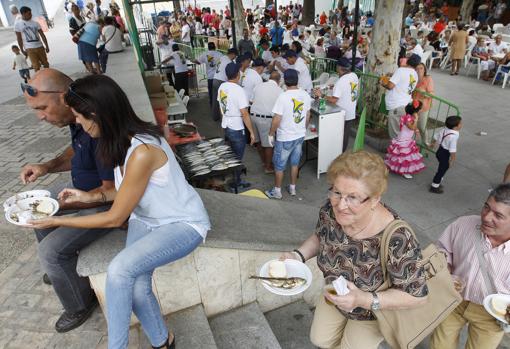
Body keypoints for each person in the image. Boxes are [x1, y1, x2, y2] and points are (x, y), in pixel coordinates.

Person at [30, 74, 210, 349]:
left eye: (79, 116)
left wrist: (53, 221)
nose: (77, 122)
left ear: (97, 114)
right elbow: (124, 190)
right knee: (137, 287)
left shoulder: (142, 149)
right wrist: (90, 195)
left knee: (119, 271)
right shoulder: (117, 141)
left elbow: (114, 217)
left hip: (181, 223)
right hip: (146, 219)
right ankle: (164, 341)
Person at [280, 150, 428, 348]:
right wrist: (297, 255)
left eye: (353, 197)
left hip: (371, 313)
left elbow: (417, 296)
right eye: (337, 192)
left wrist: (364, 299)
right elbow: (320, 236)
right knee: (320, 339)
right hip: (334, 290)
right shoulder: (330, 210)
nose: (341, 205)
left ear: (375, 199)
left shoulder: (398, 238)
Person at [20, 69, 114, 333]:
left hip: (104, 202)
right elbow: (76, 151)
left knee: (49, 251)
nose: (40, 117)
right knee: (42, 202)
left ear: (63, 98)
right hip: (82, 190)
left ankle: (79, 304)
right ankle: (62, 273)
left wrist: (63, 207)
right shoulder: (77, 116)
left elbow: (110, 192)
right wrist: (47, 166)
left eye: (42, 108)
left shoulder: (97, 125)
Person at [430, 183, 510, 349]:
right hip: (453, 301)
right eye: (486, 207)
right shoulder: (463, 225)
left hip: (492, 317)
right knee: (439, 345)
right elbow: (442, 251)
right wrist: (444, 270)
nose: (487, 217)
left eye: (498, 215)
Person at [265, 69, 311, 199]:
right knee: (295, 163)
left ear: (284, 81)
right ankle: (292, 188)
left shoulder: (283, 96)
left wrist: (270, 134)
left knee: (279, 165)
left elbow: (276, 119)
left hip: (285, 137)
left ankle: (277, 191)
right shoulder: (305, 95)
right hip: (299, 136)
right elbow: (307, 115)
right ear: (297, 80)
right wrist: (303, 129)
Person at [217, 62, 256, 190]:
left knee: (231, 154)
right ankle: (236, 182)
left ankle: (231, 178)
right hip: (237, 127)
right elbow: (244, 113)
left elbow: (221, 107)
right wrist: (251, 132)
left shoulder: (222, 87)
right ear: (238, 74)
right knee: (237, 158)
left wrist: (224, 122)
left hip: (227, 125)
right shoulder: (239, 90)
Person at [314, 58, 359, 152]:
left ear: (339, 68)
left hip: (341, 113)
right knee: (345, 136)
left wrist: (321, 95)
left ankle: (336, 155)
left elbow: (334, 100)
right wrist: (334, 87)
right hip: (351, 111)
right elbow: (347, 87)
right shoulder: (354, 75)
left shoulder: (341, 81)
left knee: (337, 137)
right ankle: (341, 154)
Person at [250, 71, 283, 174]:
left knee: (259, 142)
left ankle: (264, 162)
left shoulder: (259, 86)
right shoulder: (280, 90)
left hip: (253, 116)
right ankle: (268, 167)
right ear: (279, 81)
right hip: (266, 119)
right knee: (269, 144)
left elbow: (251, 101)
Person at [381, 53, 420, 139]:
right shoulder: (415, 75)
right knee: (402, 133)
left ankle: (398, 151)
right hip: (405, 105)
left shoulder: (401, 70)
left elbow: (390, 86)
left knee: (395, 136)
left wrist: (382, 83)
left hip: (396, 106)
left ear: (408, 60)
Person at [384, 101, 426, 179]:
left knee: (402, 154)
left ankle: (394, 166)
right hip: (404, 138)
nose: (421, 110)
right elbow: (412, 127)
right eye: (420, 109)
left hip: (407, 138)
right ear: (416, 111)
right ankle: (404, 171)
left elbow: (413, 128)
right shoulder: (408, 118)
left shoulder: (408, 116)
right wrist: (416, 120)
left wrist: (416, 130)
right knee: (404, 154)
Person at [429, 115, 462, 194]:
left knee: (443, 167)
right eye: (460, 123)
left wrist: (432, 144)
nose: (461, 125)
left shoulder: (444, 130)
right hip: (445, 153)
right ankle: (434, 186)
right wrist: (452, 160)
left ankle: (438, 181)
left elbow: (435, 137)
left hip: (439, 151)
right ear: (455, 127)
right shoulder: (453, 136)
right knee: (441, 170)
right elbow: (452, 150)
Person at [15, 6, 50, 72]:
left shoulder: (35, 23)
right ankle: (38, 81)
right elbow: (19, 38)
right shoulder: (18, 24)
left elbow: (42, 35)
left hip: (40, 47)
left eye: (31, 13)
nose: (31, 15)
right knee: (36, 66)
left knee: (46, 64)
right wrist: (21, 49)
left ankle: (47, 79)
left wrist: (47, 46)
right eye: (29, 14)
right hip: (29, 49)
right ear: (23, 14)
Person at [212, 48, 237, 121]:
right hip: (221, 82)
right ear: (232, 54)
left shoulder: (222, 58)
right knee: (223, 101)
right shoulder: (229, 62)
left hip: (215, 79)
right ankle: (224, 118)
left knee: (215, 100)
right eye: (235, 56)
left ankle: (215, 117)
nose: (234, 58)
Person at [413, 62, 434, 143]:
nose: (419, 70)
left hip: (423, 107)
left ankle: (425, 142)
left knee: (422, 127)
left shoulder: (428, 79)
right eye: (417, 68)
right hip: (412, 106)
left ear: (425, 69)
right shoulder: (413, 78)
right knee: (411, 125)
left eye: (421, 68)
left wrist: (424, 93)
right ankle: (412, 143)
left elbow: (431, 94)